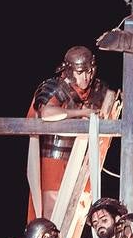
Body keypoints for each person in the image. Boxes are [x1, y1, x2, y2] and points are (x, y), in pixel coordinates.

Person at [26, 45, 117, 222]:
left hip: (84, 161)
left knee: (80, 216)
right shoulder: (55, 86)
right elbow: (47, 113)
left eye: (90, 71)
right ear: (69, 71)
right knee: (50, 215)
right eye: (81, 72)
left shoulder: (99, 89)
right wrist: (82, 113)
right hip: (55, 159)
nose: (87, 77)